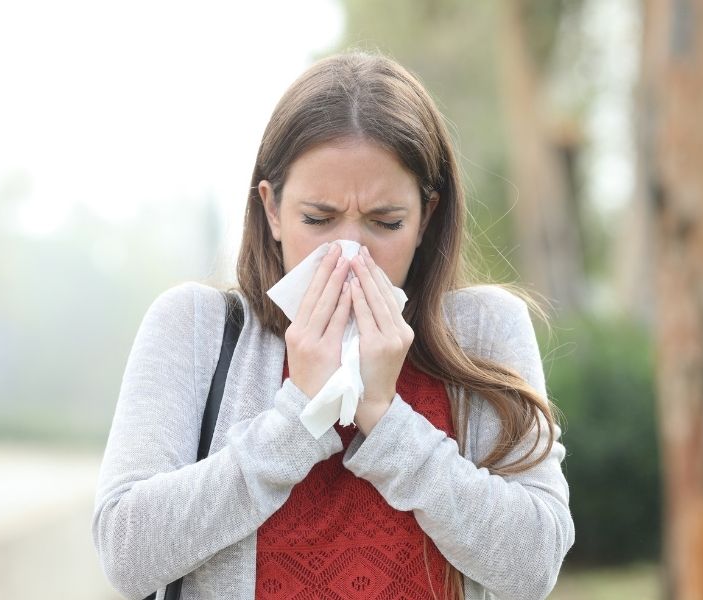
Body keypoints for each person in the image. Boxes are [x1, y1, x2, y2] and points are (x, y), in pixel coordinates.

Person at [92, 51, 574, 600]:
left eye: (386, 222)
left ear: (427, 216)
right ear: (272, 210)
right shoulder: (196, 327)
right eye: (317, 220)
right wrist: (300, 415)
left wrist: (386, 418)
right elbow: (125, 556)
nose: (349, 252)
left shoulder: (485, 329)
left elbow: (534, 566)